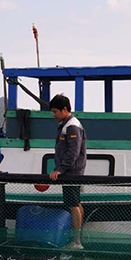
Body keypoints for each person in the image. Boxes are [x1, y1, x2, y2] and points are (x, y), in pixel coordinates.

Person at [48, 94, 86, 248]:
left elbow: (73, 151)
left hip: (71, 173)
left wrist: (60, 169)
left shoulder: (72, 126)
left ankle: (76, 241)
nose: (54, 115)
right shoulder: (67, 124)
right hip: (72, 171)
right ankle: (77, 239)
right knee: (76, 203)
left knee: (73, 204)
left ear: (65, 110)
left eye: (55, 111)